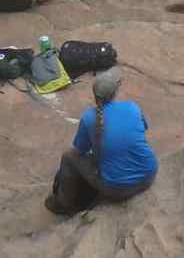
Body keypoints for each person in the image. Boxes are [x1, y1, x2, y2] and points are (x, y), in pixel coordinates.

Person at [46, 68, 157, 215]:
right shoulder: (132, 107)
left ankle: (64, 204)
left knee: (69, 156)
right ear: (115, 92)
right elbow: (141, 130)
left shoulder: (88, 118)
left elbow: (80, 150)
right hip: (149, 174)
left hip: (117, 189)